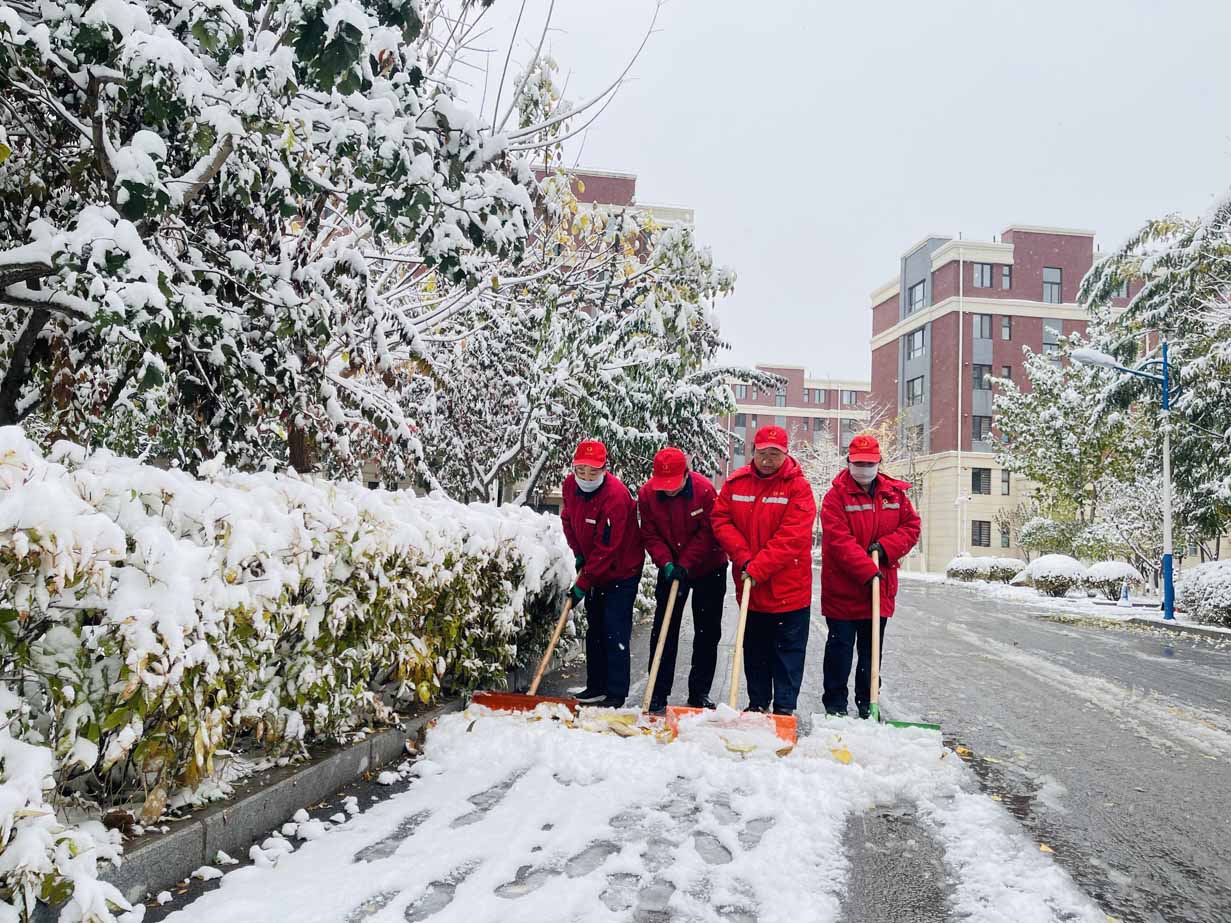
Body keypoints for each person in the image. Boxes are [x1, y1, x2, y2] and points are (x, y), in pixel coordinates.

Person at [711, 425, 817, 716]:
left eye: (775, 454)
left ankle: (784, 708)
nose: (768, 460)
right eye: (762, 453)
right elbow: (721, 520)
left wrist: (760, 566)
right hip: (751, 586)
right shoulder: (736, 484)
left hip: (789, 589)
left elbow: (793, 537)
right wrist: (744, 558)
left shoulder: (799, 488)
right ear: (753, 452)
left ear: (786, 454)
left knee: (787, 653)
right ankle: (757, 703)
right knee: (755, 650)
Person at [819, 433, 921, 718]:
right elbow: (838, 541)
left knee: (871, 651)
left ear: (879, 463)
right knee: (839, 650)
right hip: (844, 588)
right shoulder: (835, 497)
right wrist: (868, 570)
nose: (864, 468)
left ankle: (868, 704)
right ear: (849, 462)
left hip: (879, 590)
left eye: (869, 463)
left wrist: (886, 548)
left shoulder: (894, 494)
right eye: (858, 462)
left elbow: (911, 527)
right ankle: (835, 706)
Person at [637, 447, 728, 714]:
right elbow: (650, 533)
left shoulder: (704, 491)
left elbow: (709, 533)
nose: (668, 490)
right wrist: (665, 563)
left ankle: (700, 692)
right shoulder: (647, 494)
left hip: (709, 567)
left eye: (673, 484)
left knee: (707, 631)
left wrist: (685, 564)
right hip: (670, 568)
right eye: (663, 485)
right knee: (664, 629)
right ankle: (657, 690)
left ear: (686, 474)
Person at [560, 439, 644, 708]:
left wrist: (583, 582)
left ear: (605, 469)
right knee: (594, 628)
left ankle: (616, 693)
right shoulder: (570, 486)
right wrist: (578, 554)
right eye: (581, 469)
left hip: (622, 569)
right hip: (595, 567)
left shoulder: (616, 497)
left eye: (593, 471)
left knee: (614, 629)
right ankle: (595, 685)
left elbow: (608, 548)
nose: (586, 476)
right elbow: (568, 521)